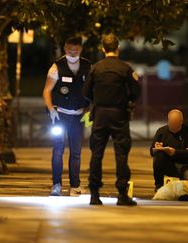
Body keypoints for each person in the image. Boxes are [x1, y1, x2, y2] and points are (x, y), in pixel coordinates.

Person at [83, 34, 141, 206]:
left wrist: (97, 99)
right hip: (119, 115)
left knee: (96, 154)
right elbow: (136, 92)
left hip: (100, 114)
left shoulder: (95, 68)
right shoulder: (125, 68)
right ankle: (122, 194)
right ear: (118, 48)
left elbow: (85, 92)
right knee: (121, 154)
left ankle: (94, 194)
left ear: (103, 49)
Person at [42, 37, 91, 196]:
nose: (73, 53)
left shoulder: (87, 66)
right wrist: (51, 110)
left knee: (76, 152)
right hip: (60, 115)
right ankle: (56, 185)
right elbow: (47, 90)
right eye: (70, 50)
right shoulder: (56, 67)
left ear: (80, 49)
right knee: (58, 150)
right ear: (65, 48)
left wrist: (88, 110)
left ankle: (74, 186)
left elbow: (92, 90)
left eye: (76, 50)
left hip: (78, 116)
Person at [150, 109, 188, 191]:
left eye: (175, 122)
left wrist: (175, 153)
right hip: (168, 165)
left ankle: (184, 183)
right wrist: (157, 148)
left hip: (186, 165)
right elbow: (151, 151)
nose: (172, 125)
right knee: (158, 156)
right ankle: (158, 185)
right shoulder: (161, 131)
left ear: (181, 121)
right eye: (171, 122)